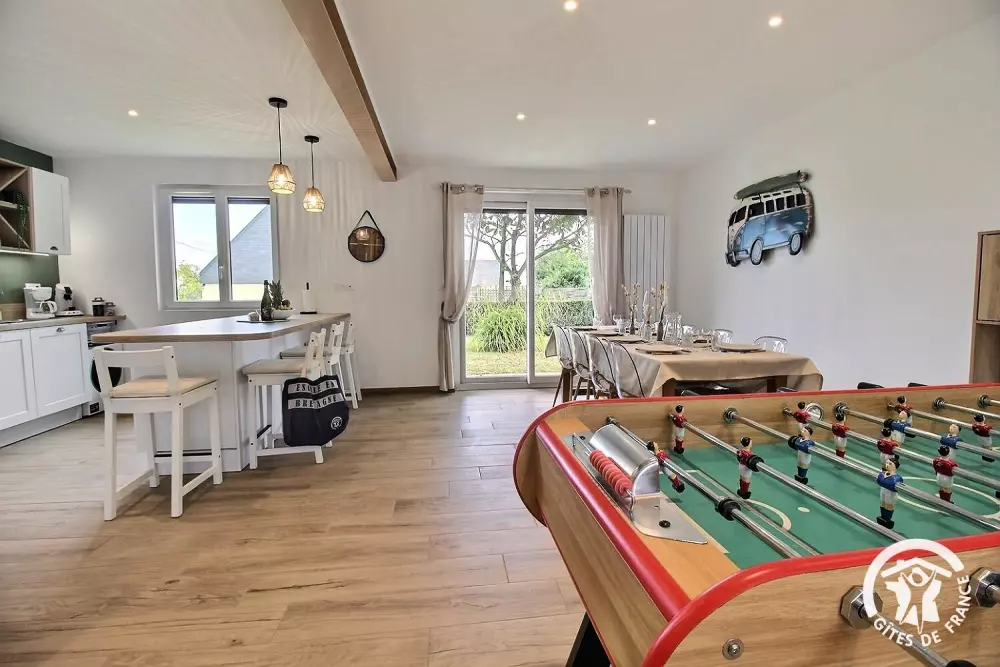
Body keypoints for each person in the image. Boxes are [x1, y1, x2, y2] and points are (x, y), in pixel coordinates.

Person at [877, 459, 904, 529]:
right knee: (882, 504)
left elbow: (890, 484)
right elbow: (880, 481)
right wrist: (886, 483)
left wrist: (885, 482)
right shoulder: (883, 473)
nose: (887, 465)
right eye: (887, 463)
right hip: (883, 490)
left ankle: (887, 519)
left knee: (888, 506)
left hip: (891, 494)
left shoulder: (897, 478)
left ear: (895, 466)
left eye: (890, 464)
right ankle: (882, 517)